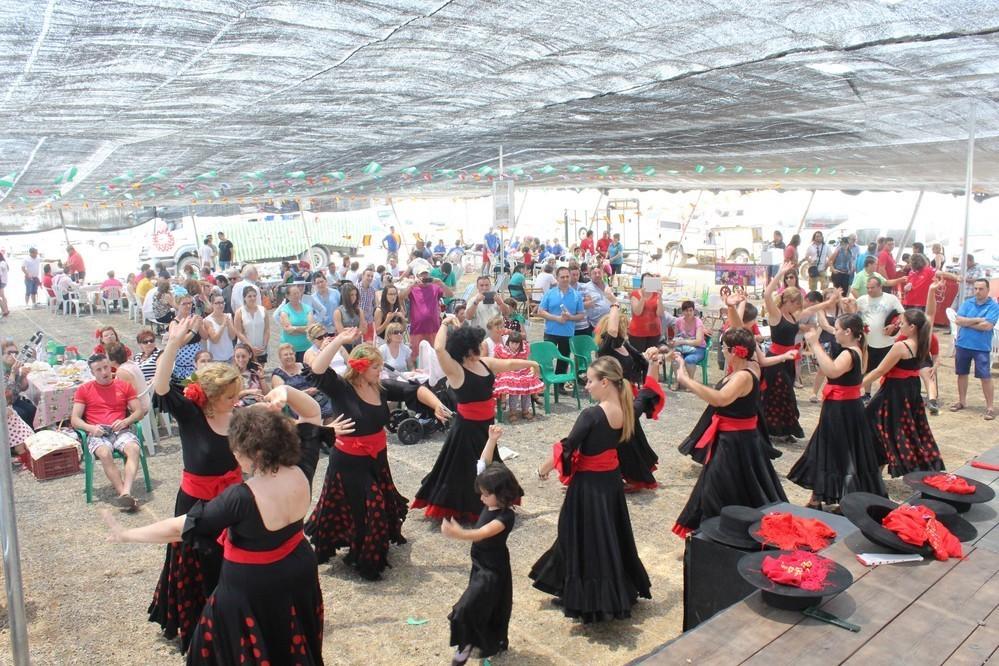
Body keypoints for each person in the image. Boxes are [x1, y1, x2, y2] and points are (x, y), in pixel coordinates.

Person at [104, 393, 332, 664]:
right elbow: (313, 413)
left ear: (257, 454)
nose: (234, 455)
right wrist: (287, 391)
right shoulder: (302, 468)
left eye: (238, 450)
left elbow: (180, 528)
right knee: (288, 641)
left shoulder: (242, 497)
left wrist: (127, 534)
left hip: (253, 585)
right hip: (299, 570)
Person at [306, 332, 451, 579]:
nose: (380, 371)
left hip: (377, 460)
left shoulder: (381, 388)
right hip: (349, 463)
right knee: (367, 507)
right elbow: (318, 370)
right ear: (361, 367)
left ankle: (367, 546)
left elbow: (413, 390)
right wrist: (338, 341)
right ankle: (366, 559)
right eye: (376, 367)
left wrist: (436, 404)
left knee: (374, 505)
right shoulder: (341, 388)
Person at [147, 322, 247, 651]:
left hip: (231, 505)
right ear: (212, 396)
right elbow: (161, 386)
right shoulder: (191, 414)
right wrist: (173, 344)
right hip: (195, 505)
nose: (236, 400)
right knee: (196, 566)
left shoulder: (239, 417)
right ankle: (199, 627)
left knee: (231, 564)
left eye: (237, 394)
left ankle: (229, 623)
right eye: (230, 396)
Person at [530, 357, 652, 622]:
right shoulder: (626, 409)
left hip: (588, 486)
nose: (586, 386)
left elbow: (568, 447)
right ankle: (585, 586)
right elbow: (646, 397)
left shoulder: (592, 415)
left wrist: (543, 469)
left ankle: (586, 596)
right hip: (610, 483)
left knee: (577, 535)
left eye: (590, 381)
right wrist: (652, 367)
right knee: (609, 535)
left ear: (605, 382)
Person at [412, 319, 537, 522]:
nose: (481, 346)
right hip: (466, 430)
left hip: (486, 427)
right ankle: (470, 509)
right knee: (464, 471)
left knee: (490, 467)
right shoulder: (455, 369)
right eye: (477, 344)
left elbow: (508, 364)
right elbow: (439, 348)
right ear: (467, 348)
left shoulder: (484, 363)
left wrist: (531, 363)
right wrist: (444, 324)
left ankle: (494, 501)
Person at [672, 328, 788, 536]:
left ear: (735, 351)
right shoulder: (740, 371)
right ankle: (716, 532)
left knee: (717, 487)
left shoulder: (744, 375)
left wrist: (686, 379)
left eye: (724, 347)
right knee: (728, 485)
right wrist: (681, 365)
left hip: (736, 442)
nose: (722, 351)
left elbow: (720, 399)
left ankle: (714, 534)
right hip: (731, 439)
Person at [789, 315, 886, 509]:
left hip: (842, 410)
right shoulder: (858, 348)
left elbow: (832, 371)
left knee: (837, 451)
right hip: (844, 408)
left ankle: (834, 499)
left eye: (837, 329)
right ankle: (818, 498)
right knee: (832, 450)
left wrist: (815, 344)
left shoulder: (849, 353)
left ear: (848, 332)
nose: (834, 332)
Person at [442, 426, 518, 665]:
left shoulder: (505, 517)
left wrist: (458, 533)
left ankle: (472, 645)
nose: (481, 497)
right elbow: (483, 464)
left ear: (501, 494)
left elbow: (482, 533)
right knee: (481, 606)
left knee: (470, 607)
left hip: (492, 571)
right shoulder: (490, 501)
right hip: (479, 565)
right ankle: (470, 642)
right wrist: (491, 440)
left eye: (485, 494)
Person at [863, 308, 944, 476]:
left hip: (895, 391)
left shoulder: (901, 346)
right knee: (900, 429)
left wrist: (857, 385)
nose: (899, 325)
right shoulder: (923, 343)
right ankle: (877, 468)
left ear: (912, 327)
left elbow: (880, 370)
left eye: (902, 323)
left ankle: (876, 468)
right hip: (911, 390)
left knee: (873, 424)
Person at [594, 305, 665, 491]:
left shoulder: (624, 345)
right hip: (614, 398)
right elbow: (612, 331)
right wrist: (614, 304)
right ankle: (627, 476)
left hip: (628, 395)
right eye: (623, 325)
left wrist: (651, 354)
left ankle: (633, 475)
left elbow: (640, 359)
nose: (626, 328)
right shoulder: (606, 348)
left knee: (632, 436)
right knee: (623, 439)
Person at [70, 353, 146, 512]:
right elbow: (75, 420)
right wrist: (91, 428)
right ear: (92, 373)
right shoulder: (84, 389)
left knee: (134, 449)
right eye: (98, 370)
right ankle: (123, 492)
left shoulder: (124, 386)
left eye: (105, 367)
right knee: (104, 454)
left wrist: (125, 421)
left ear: (110, 367)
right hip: (98, 431)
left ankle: (126, 492)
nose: (104, 372)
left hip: (121, 429)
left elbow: (139, 411)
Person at [761, 262, 806, 440]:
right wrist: (780, 273)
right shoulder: (776, 314)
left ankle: (784, 430)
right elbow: (767, 294)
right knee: (777, 394)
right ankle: (771, 429)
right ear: (788, 301)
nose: (798, 307)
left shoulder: (792, 315)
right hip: (775, 360)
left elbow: (810, 310)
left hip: (788, 360)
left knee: (785, 396)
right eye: (797, 304)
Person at [951, 278, 999, 420]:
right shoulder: (968, 302)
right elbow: (958, 320)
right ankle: (962, 401)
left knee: (985, 377)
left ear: (988, 290)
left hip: (981, 347)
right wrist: (978, 319)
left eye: (981, 289)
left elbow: (987, 326)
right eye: (976, 288)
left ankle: (990, 407)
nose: (977, 291)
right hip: (963, 344)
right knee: (962, 374)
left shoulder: (993, 306)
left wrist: (967, 322)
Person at [854, 275, 905, 402]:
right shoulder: (862, 300)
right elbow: (852, 312)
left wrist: (894, 325)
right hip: (868, 342)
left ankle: (888, 393)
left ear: (880, 287)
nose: (869, 290)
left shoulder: (891, 299)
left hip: (887, 342)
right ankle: (867, 394)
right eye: (867, 288)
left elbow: (902, 315)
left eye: (872, 288)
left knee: (889, 370)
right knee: (867, 369)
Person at [538, 266, 585, 384]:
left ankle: (560, 384)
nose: (565, 279)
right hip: (550, 332)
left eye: (567, 276)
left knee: (564, 360)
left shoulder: (576, 295)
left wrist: (570, 317)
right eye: (562, 277)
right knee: (546, 359)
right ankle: (545, 383)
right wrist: (557, 318)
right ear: (557, 278)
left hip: (567, 333)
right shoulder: (549, 293)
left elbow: (581, 315)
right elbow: (541, 311)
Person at [493, 328, 543, 422]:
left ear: (520, 344)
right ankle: (512, 412)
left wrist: (531, 368)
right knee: (514, 389)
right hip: (508, 371)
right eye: (512, 343)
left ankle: (525, 411)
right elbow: (496, 362)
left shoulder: (523, 350)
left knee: (527, 386)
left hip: (522, 371)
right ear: (508, 342)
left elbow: (527, 361)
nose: (514, 346)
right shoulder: (503, 350)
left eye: (517, 344)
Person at [401, 266, 453, 352]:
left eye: (426, 274)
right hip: (417, 329)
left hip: (433, 328)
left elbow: (450, 294)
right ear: (417, 276)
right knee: (416, 355)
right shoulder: (413, 288)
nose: (424, 277)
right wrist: (411, 285)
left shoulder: (435, 287)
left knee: (434, 354)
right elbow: (401, 297)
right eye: (422, 274)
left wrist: (440, 283)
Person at [106, 342, 151, 415]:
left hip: (138, 409)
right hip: (144, 401)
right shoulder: (129, 363)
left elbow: (128, 395)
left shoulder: (122, 372)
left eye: (106, 357)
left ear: (113, 360)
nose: (105, 359)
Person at [166, 297, 203, 380]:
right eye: (184, 304)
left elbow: (205, 336)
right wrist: (193, 331)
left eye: (190, 303)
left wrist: (200, 325)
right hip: (183, 364)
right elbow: (179, 343)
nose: (188, 306)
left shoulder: (195, 317)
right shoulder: (174, 323)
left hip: (197, 360)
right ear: (178, 305)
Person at [233, 285, 270, 365]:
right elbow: (238, 332)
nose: (252, 298)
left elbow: (267, 330)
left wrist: (264, 345)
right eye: (249, 296)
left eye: (254, 296)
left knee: (259, 370)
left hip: (260, 348)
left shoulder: (263, 310)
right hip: (245, 349)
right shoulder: (239, 312)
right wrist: (250, 347)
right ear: (244, 298)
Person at [278, 285, 315, 362]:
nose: (297, 295)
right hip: (289, 350)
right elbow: (288, 330)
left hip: (306, 347)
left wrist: (294, 328)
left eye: (298, 293)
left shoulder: (307, 308)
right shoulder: (284, 310)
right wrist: (304, 329)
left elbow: (311, 328)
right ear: (287, 296)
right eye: (294, 294)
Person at [673, 300, 707, 380]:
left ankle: (690, 381)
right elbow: (676, 337)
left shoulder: (698, 322)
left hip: (698, 348)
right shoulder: (678, 321)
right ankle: (678, 381)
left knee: (689, 359)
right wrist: (675, 343)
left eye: (690, 310)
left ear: (694, 311)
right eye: (686, 310)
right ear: (682, 311)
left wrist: (682, 341)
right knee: (675, 358)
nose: (688, 313)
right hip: (682, 348)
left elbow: (698, 342)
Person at [578, 263, 617, 331]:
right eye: (594, 273)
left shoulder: (606, 285)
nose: (597, 275)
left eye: (599, 273)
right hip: (595, 325)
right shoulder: (585, 287)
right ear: (590, 275)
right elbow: (579, 304)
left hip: (609, 323)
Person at [202, 292, 236, 362]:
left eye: (222, 302)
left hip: (229, 356)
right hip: (215, 358)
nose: (221, 305)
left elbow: (233, 337)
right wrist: (223, 325)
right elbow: (215, 340)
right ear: (212, 304)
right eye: (217, 303)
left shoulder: (229, 316)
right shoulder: (207, 320)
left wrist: (229, 324)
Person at [334, 282, 365, 351]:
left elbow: (363, 329)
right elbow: (341, 333)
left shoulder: (359, 311)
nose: (354, 297)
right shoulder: (338, 312)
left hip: (357, 345)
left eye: (355, 294)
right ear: (345, 296)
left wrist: (349, 331)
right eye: (351, 295)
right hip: (344, 347)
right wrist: (356, 331)